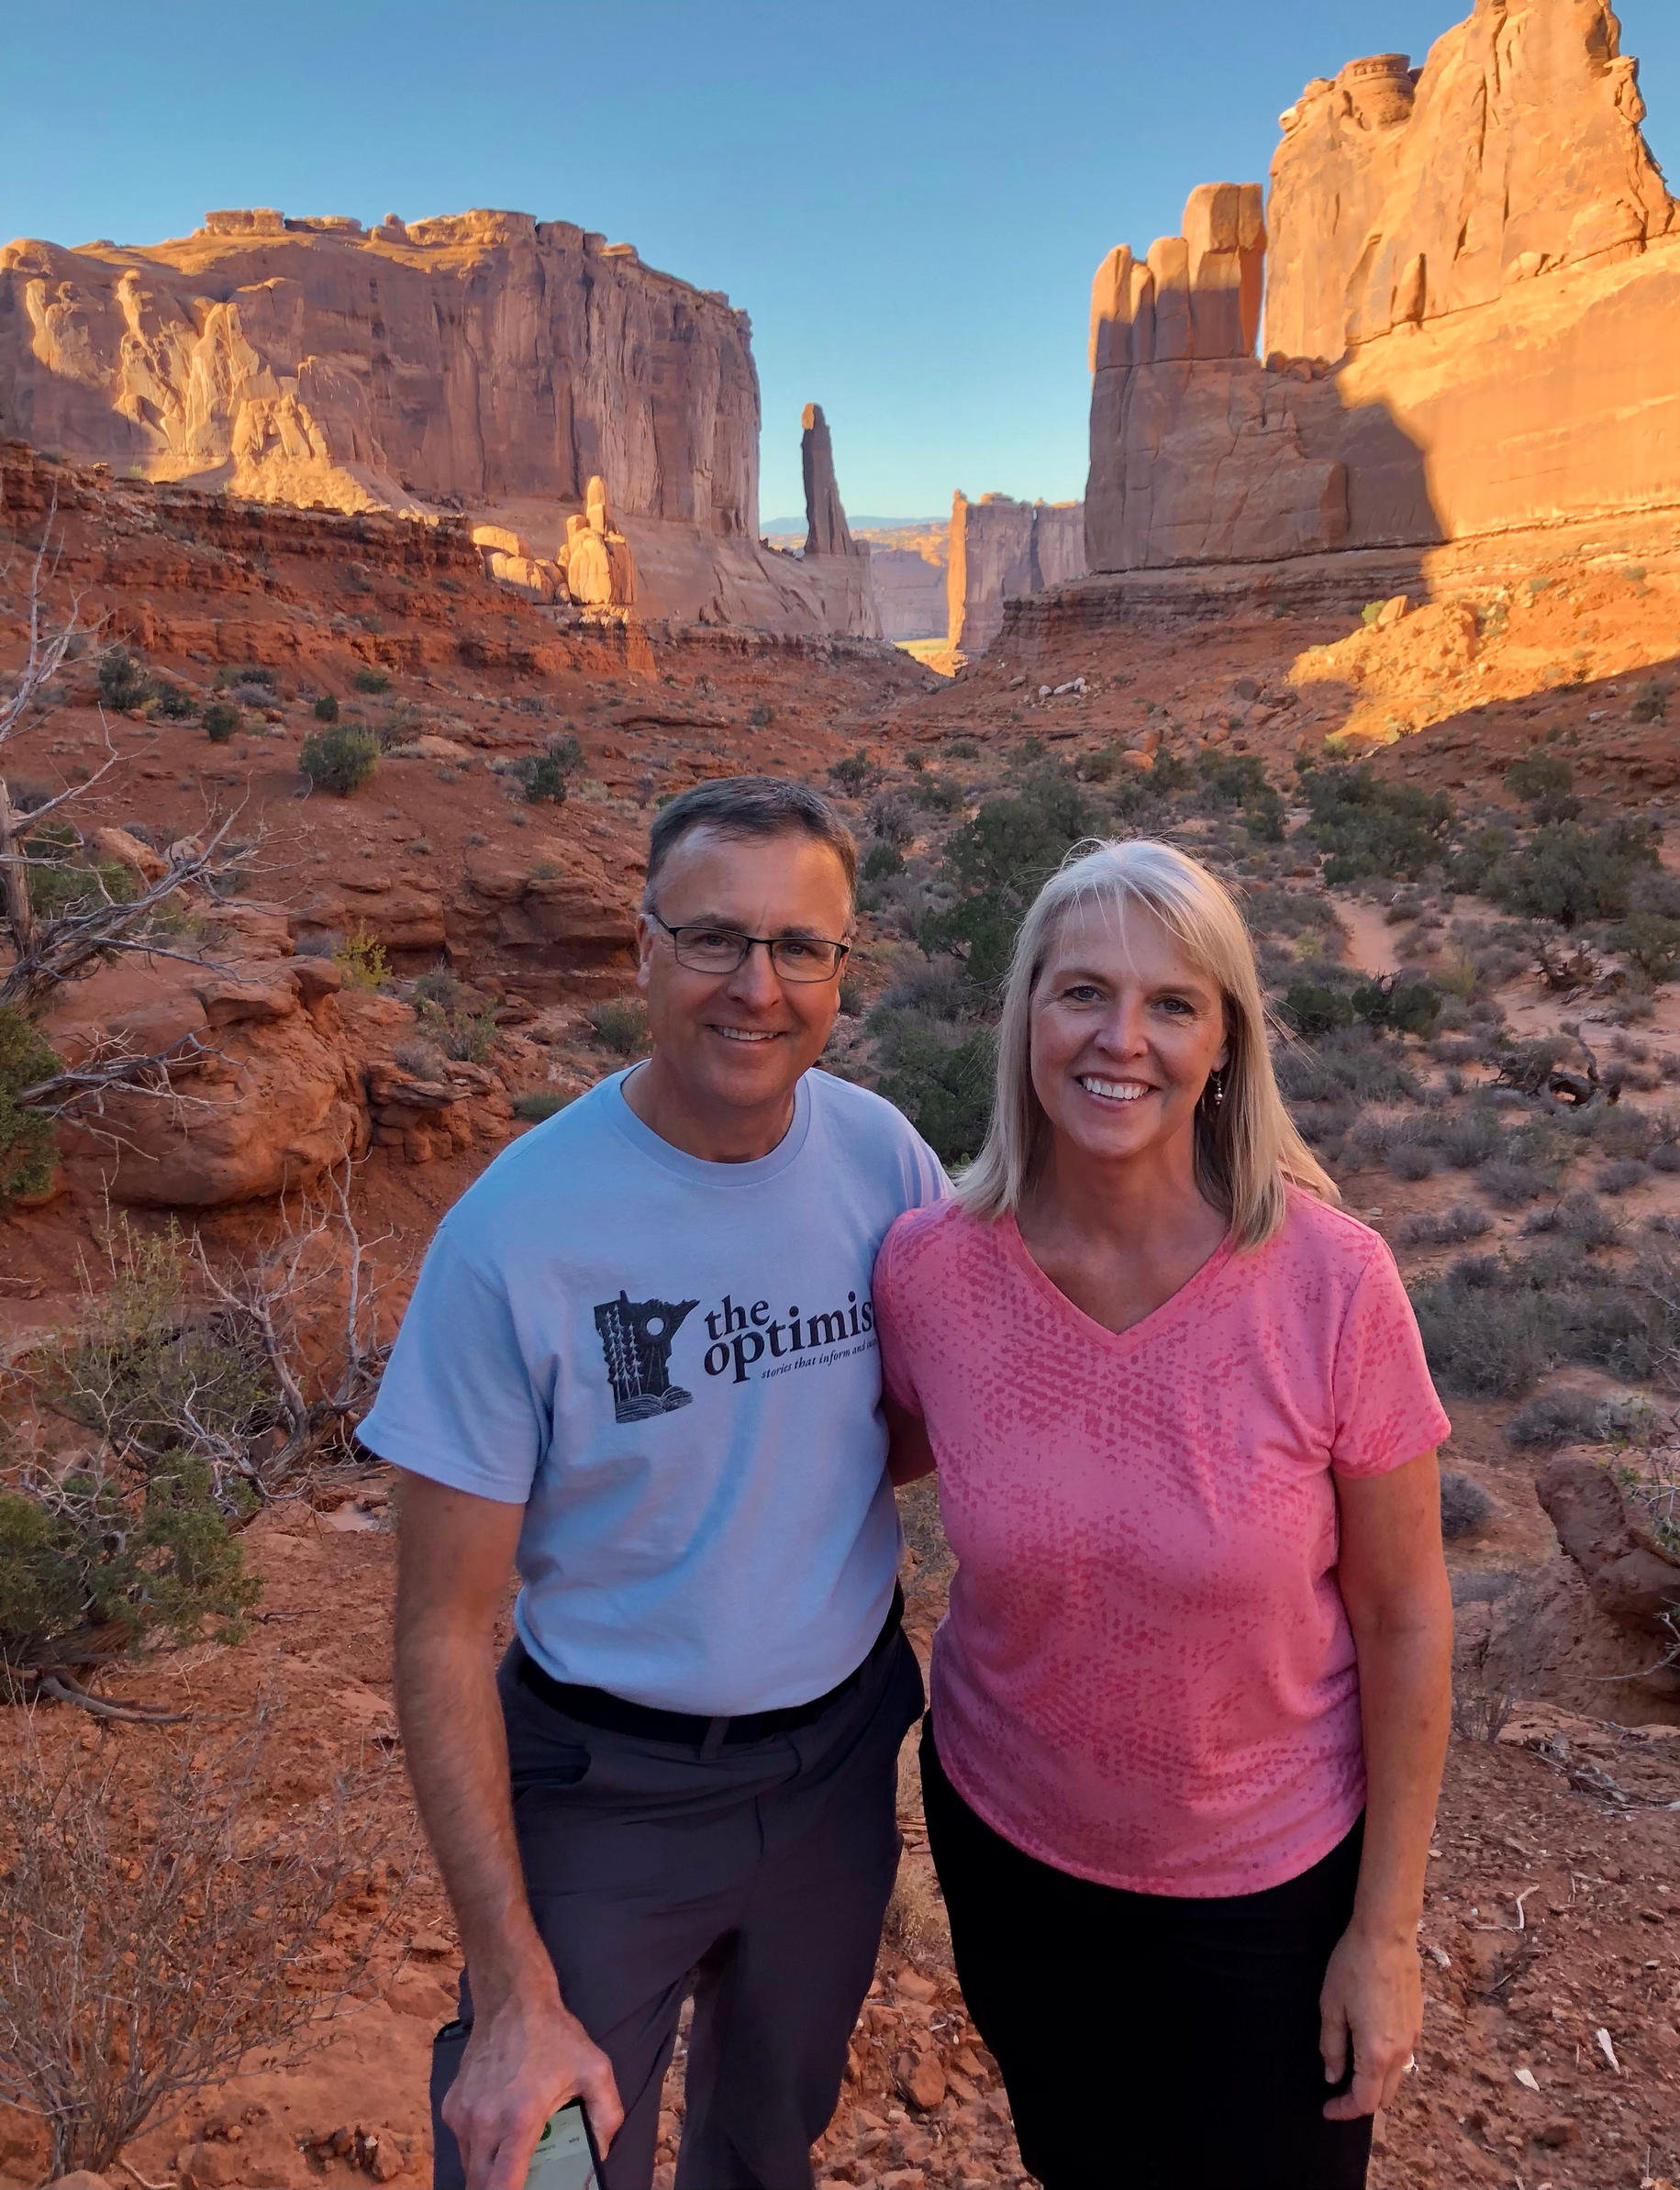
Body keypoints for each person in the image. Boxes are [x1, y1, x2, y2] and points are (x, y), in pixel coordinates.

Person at [360, 777, 947, 2190]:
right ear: (642, 950)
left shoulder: (885, 1160)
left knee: (765, 2139)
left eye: (800, 947)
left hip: (834, 1769)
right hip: (601, 1793)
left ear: (842, 968)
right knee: (539, 2161)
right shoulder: (520, 1231)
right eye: (714, 939)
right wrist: (509, 1987)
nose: (758, 987)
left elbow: (925, 1420)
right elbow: (441, 1628)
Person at [873, 839, 1452, 2190]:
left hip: (1268, 1890)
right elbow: (868, 1453)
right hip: (1012, 1852)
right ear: (1025, 1015)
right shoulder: (933, 1271)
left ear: (1223, 1041)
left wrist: (1389, 1928)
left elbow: (1408, 1614)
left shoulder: (1331, 1282)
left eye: (1171, 1003)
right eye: (1082, 992)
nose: (1119, 1038)